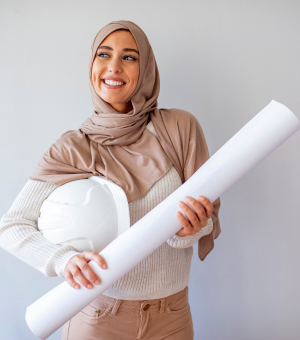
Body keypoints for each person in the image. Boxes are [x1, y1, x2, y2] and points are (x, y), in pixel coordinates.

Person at [0, 20, 221, 340]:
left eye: (130, 57)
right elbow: (11, 225)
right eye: (104, 54)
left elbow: (209, 212)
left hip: (171, 318)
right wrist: (63, 261)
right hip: (98, 318)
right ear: (92, 64)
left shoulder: (179, 129)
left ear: (146, 68)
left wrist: (191, 229)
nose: (114, 66)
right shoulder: (72, 147)